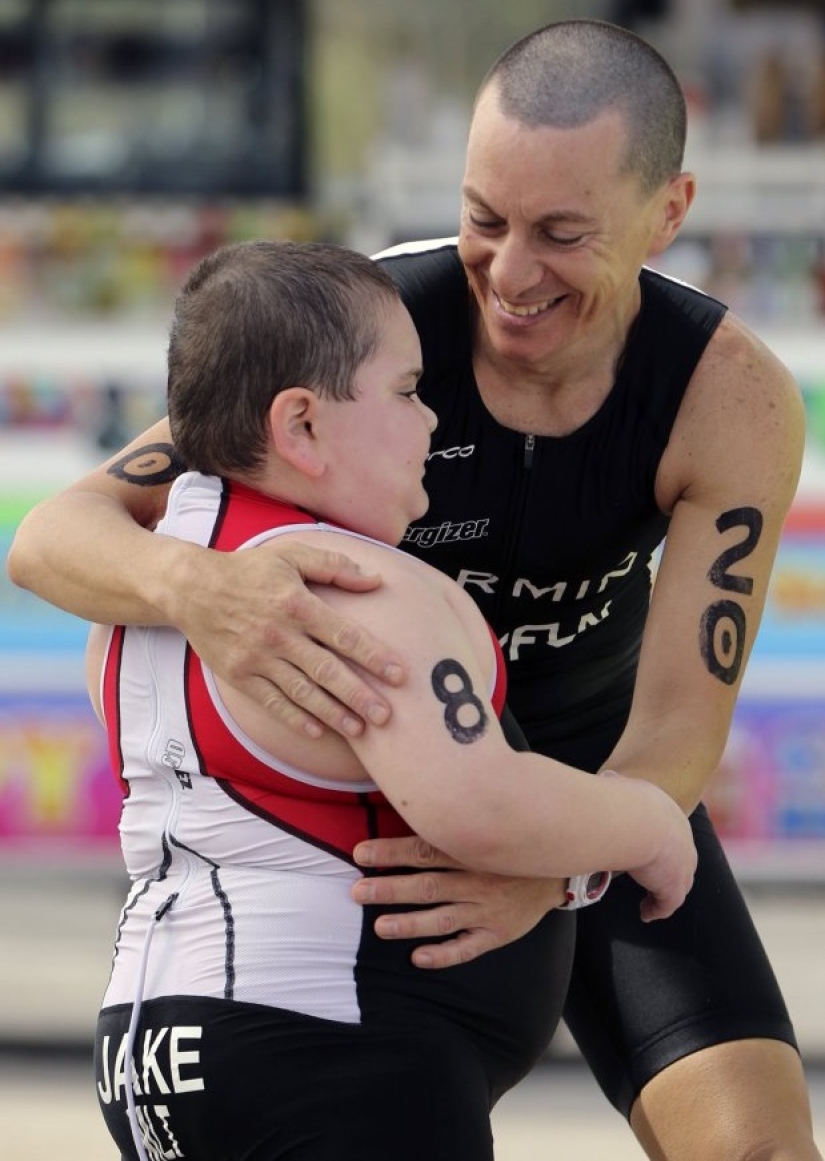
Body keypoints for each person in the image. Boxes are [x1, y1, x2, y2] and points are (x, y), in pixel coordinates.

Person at [6, 19, 820, 1161]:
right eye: (485, 218)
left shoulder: (729, 397)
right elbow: (55, 535)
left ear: (668, 213)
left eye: (561, 233)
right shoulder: (371, 327)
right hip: (380, 800)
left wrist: (552, 864)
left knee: (761, 1149)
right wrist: (202, 590)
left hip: (586, 778)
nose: (511, 271)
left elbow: (677, 739)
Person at [82, 238, 695, 1161]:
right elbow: (480, 803)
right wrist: (648, 823)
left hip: (151, 1051)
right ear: (301, 427)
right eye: (407, 391)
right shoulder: (357, 588)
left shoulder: (135, 605)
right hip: (324, 1052)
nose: (431, 420)